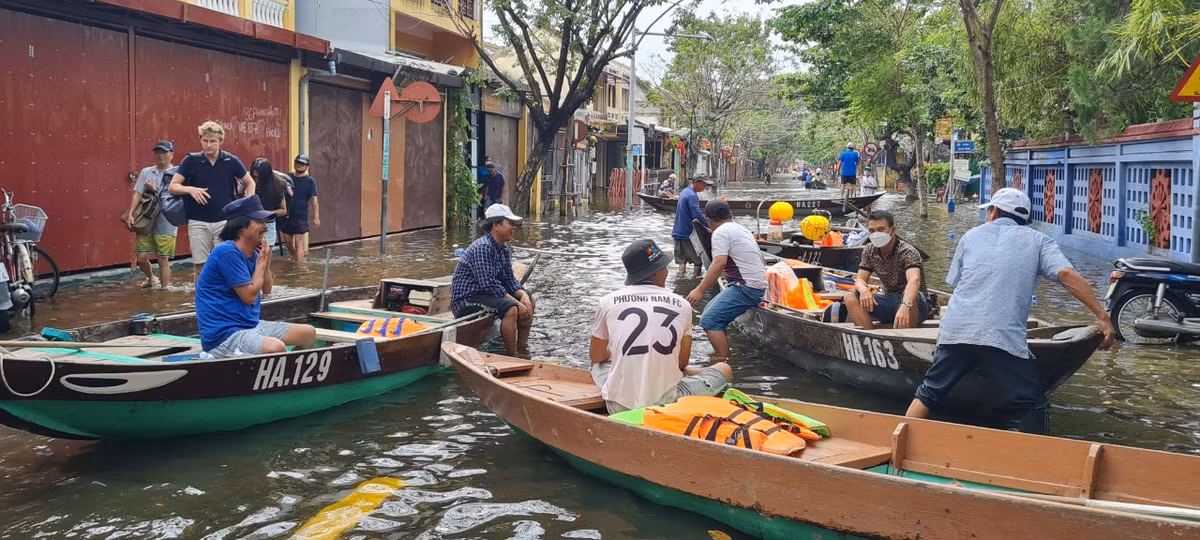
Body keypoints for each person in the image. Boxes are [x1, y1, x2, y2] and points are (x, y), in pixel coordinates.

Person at [904, 188, 1117, 433]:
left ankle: (898, 445)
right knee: (1031, 404)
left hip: (957, 329)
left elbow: (959, 282)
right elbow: (1066, 275)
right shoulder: (1038, 240)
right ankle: (1035, 458)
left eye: (988, 210)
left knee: (930, 392)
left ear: (993, 212)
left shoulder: (970, 236)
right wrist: (1103, 317)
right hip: (1001, 336)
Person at [591, 239, 733, 413]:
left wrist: (616, 353)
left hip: (618, 406)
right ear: (657, 273)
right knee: (724, 368)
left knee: (598, 366)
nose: (666, 271)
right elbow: (682, 362)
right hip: (669, 404)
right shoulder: (682, 305)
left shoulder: (606, 302)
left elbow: (596, 357)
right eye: (664, 267)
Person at [195, 195, 315, 357]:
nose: (265, 227)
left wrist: (264, 261)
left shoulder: (253, 253)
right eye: (259, 222)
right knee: (275, 347)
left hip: (250, 326)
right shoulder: (226, 252)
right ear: (241, 227)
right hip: (224, 336)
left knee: (308, 333)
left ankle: (291, 371)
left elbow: (267, 289)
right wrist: (261, 262)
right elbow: (249, 297)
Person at [169, 121, 255, 276]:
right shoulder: (191, 160)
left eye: (213, 141)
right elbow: (173, 186)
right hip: (197, 221)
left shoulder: (230, 160)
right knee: (200, 265)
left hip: (224, 220)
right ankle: (201, 298)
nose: (208, 145)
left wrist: (248, 207)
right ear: (200, 140)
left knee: (227, 262)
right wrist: (190, 189)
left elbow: (250, 182)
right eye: (205, 141)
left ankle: (227, 296)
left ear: (220, 141)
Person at [450, 203, 536, 359]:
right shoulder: (483, 247)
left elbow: (508, 280)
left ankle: (522, 348)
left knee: (530, 299)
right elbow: (489, 285)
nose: (513, 228)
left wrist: (523, 296)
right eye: (510, 223)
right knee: (512, 310)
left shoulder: (502, 249)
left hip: (485, 294)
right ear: (496, 225)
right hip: (467, 300)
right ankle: (512, 356)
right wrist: (516, 304)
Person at [686, 200, 768, 358]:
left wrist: (699, 290)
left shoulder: (721, 232)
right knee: (710, 315)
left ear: (708, 219)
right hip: (751, 285)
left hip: (746, 287)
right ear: (729, 215)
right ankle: (722, 352)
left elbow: (719, 263)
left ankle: (721, 359)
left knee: (709, 320)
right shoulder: (740, 228)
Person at [843, 210, 930, 330]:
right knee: (850, 297)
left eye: (881, 229)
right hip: (889, 300)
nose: (876, 234)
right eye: (872, 231)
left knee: (910, 295)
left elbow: (914, 280)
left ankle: (905, 338)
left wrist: (905, 305)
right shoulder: (869, 250)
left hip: (915, 304)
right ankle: (870, 338)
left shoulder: (907, 251)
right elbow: (860, 279)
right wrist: (864, 290)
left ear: (892, 230)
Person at [126, 140, 177, 289]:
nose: (161, 155)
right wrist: (131, 213)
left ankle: (164, 290)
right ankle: (151, 278)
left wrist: (155, 190)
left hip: (166, 221)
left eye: (164, 152)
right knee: (141, 258)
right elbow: (137, 193)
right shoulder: (146, 172)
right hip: (146, 220)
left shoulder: (177, 174)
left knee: (163, 259)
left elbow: (175, 197)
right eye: (158, 152)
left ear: (171, 155)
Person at [671, 174, 715, 277]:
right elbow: (697, 214)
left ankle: (681, 282)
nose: (705, 188)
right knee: (698, 261)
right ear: (697, 183)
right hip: (689, 233)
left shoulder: (684, 192)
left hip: (678, 231)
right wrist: (708, 225)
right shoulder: (692, 196)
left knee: (682, 261)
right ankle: (697, 281)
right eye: (704, 185)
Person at [281, 154, 320, 262]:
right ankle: (295, 258)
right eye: (298, 163)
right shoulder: (287, 178)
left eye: (302, 164)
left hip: (300, 215)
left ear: (307, 166)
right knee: (287, 241)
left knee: (298, 241)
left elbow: (314, 200)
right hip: (287, 214)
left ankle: (299, 268)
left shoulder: (310, 181)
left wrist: (316, 217)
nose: (299, 165)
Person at [250, 158, 288, 248]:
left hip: (268, 224)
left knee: (266, 253)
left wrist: (268, 213)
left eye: (259, 177)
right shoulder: (247, 180)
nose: (256, 180)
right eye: (254, 177)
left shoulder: (277, 185)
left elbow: (283, 210)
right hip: (250, 223)